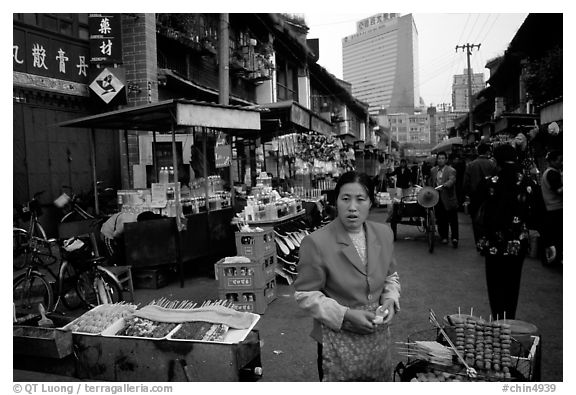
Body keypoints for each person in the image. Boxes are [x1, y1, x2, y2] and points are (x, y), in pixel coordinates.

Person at [293, 171, 401, 381]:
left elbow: (391, 276)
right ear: (335, 202)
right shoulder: (316, 242)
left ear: (371, 202)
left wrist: (390, 299)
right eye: (345, 199)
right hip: (337, 340)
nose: (352, 207)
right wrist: (347, 315)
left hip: (377, 339)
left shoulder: (384, 233)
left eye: (360, 199)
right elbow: (305, 295)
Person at [476, 144, 536, 320]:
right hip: (518, 243)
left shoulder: (488, 182)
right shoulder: (528, 182)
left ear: (497, 160)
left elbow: (476, 211)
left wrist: (480, 240)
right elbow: (533, 211)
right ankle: (510, 321)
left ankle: (498, 321)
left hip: (493, 243)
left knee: (495, 286)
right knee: (512, 284)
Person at [463, 143, 497, 247]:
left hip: (475, 196)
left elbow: (465, 183)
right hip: (490, 196)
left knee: (476, 220)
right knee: (490, 219)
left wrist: (467, 195)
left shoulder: (471, 165)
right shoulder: (492, 165)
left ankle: (480, 243)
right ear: (487, 152)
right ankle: (489, 241)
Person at [429, 152, 459, 247]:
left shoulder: (451, 170)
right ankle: (444, 236)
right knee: (441, 219)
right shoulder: (433, 170)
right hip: (438, 198)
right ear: (436, 160)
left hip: (449, 198)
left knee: (453, 219)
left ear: (446, 160)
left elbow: (452, 180)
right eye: (439, 158)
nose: (440, 160)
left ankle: (455, 238)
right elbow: (431, 182)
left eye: (442, 158)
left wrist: (446, 184)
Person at [540, 150, 563, 265]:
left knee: (554, 237)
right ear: (552, 161)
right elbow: (559, 190)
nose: (562, 162)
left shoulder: (549, 172)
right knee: (558, 237)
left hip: (551, 209)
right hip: (556, 209)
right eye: (560, 160)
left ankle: (554, 259)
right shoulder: (552, 173)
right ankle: (556, 259)